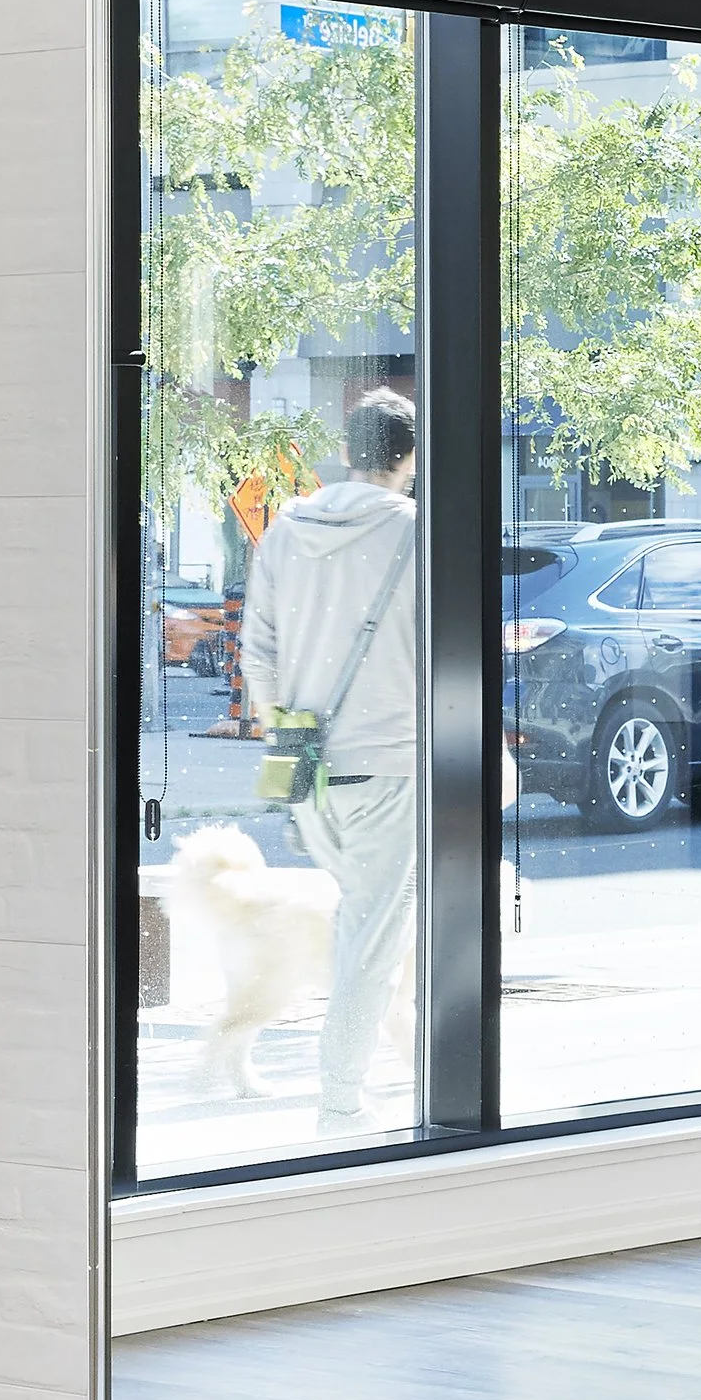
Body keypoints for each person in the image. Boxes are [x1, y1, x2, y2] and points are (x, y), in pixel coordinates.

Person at [239, 387, 419, 1130]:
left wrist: (287, 730)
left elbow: (258, 653)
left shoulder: (285, 531)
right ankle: (340, 1099)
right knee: (372, 938)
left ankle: (384, 1074)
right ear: (406, 460)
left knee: (366, 926)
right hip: (393, 766)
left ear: (346, 452)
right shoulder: (414, 534)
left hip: (306, 767)